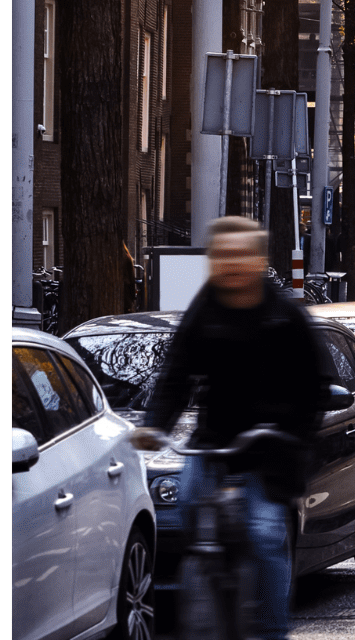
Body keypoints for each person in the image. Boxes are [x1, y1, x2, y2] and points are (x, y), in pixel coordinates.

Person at [131, 216, 330, 640]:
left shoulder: (285, 317)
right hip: (215, 441)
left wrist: (293, 435)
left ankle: (272, 628)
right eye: (221, 256)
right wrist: (153, 426)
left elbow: (314, 384)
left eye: (239, 256)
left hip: (270, 449)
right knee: (185, 505)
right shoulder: (205, 309)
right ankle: (203, 593)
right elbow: (177, 374)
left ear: (259, 261)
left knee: (263, 533)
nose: (230, 265)